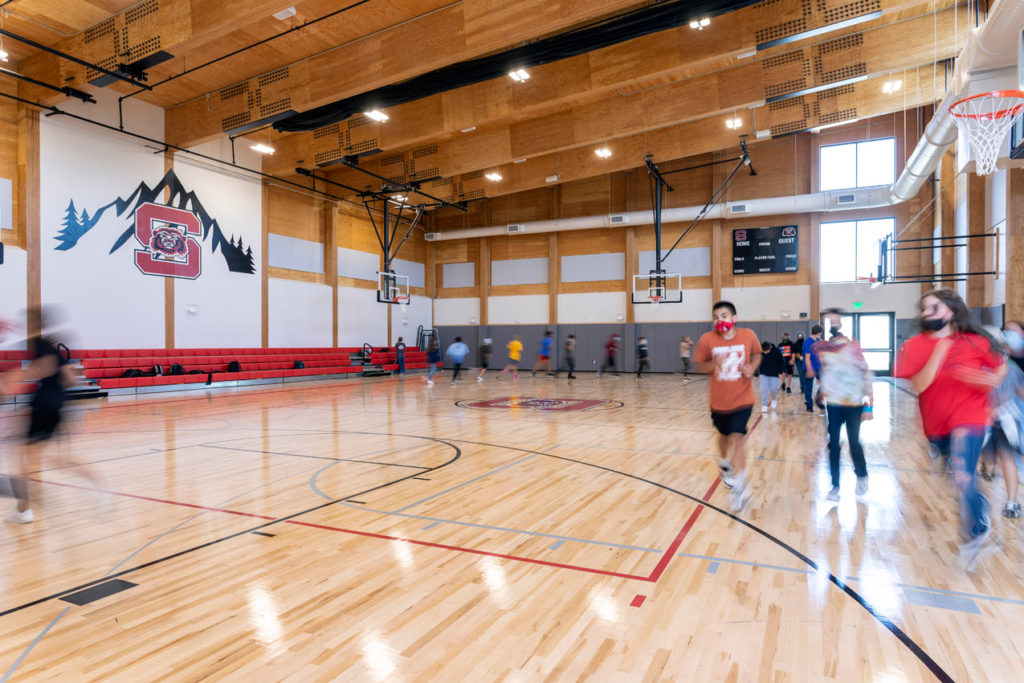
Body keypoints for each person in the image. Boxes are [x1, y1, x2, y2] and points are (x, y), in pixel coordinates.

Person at [895, 289, 1007, 572]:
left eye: (934, 307)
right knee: (960, 478)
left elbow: (1000, 369)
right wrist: (940, 352)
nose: (926, 313)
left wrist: (986, 380)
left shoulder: (977, 341)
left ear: (951, 312)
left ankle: (973, 535)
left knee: (961, 472)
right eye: (924, 308)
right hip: (936, 425)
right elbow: (919, 386)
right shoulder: (914, 345)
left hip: (970, 418)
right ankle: (980, 509)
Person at [0, 309, 81, 524]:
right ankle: (24, 507)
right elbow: (71, 380)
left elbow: (41, 369)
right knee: (37, 456)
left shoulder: (38, 343)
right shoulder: (55, 345)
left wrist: (13, 378)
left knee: (20, 456)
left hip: (43, 403)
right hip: (58, 405)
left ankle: (24, 509)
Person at [693, 300, 762, 511]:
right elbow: (698, 366)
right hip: (719, 402)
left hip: (743, 399)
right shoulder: (707, 339)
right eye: (715, 317)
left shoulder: (748, 335)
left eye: (723, 316)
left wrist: (753, 367)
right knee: (723, 437)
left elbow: (757, 354)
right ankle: (724, 463)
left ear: (734, 318)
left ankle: (739, 487)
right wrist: (712, 365)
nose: (719, 320)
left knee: (737, 438)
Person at [816, 309, 874, 502]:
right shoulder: (822, 349)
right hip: (833, 404)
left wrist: (869, 406)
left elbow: (866, 374)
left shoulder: (853, 347)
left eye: (835, 321)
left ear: (841, 324)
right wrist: (821, 390)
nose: (832, 325)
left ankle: (861, 474)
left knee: (854, 442)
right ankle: (835, 485)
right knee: (833, 445)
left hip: (853, 403)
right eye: (828, 322)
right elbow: (826, 373)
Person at [978, 327, 1024, 518]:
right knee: (989, 455)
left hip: (1006, 419)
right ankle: (987, 467)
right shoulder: (980, 367)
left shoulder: (1011, 367)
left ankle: (1012, 502)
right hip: (985, 420)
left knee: (1007, 458)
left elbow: (1020, 391)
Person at [803, 325, 824, 413]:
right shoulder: (808, 342)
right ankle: (809, 405)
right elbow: (807, 357)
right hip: (809, 368)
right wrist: (810, 369)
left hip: (818, 367)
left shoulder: (818, 340)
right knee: (809, 388)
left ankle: (819, 401)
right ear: (819, 333)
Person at [758, 340, 783, 413]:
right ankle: (765, 405)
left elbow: (781, 361)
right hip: (763, 373)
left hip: (774, 374)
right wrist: (756, 373)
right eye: (763, 351)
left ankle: (774, 399)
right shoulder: (760, 352)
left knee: (773, 389)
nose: (765, 353)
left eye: (766, 351)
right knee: (763, 389)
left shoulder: (777, 351)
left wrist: (781, 371)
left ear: (770, 348)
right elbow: (756, 361)